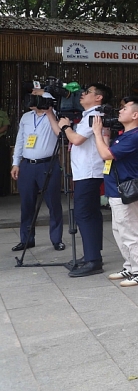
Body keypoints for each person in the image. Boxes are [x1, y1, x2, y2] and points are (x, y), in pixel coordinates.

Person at [91, 96, 138, 287]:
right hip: (115, 190)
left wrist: (96, 133)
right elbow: (109, 153)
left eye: (124, 109)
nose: (119, 111)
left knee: (132, 232)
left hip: (124, 191)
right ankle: (131, 266)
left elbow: (105, 154)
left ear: (135, 115)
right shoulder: (125, 135)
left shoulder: (135, 137)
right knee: (120, 231)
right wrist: (104, 134)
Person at [57, 83, 113, 277]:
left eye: (88, 92)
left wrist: (65, 126)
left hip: (89, 172)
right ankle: (92, 254)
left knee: (83, 214)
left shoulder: (93, 115)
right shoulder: (88, 115)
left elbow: (77, 139)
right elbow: (67, 135)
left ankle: (93, 260)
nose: (82, 94)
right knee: (91, 213)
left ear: (99, 97)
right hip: (86, 172)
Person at [11, 92, 64, 251]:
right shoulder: (26, 117)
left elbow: (60, 134)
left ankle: (56, 239)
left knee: (53, 203)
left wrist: (45, 101)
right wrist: (16, 163)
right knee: (27, 204)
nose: (31, 101)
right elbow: (20, 140)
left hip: (48, 164)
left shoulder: (54, 115)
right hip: (27, 165)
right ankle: (26, 239)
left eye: (35, 98)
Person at [0, 105, 10, 196]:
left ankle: (3, 190)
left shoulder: (2, 113)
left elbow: (5, 126)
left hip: (1, 141)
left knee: (2, 165)